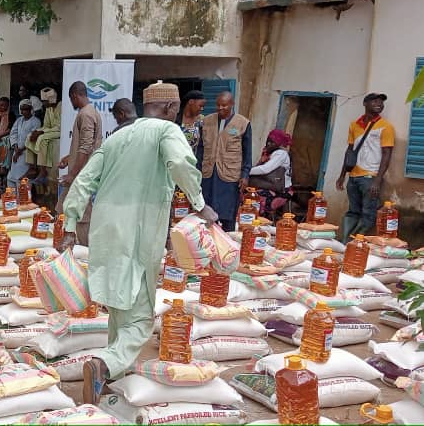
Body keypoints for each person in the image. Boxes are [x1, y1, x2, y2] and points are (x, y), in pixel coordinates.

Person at [59, 81, 218, 405]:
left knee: (121, 304)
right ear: (172, 107)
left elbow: (84, 179)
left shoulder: (117, 137)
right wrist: (200, 204)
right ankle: (105, 364)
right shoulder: (166, 132)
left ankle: (113, 374)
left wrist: (71, 223)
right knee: (142, 316)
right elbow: (180, 164)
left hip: (106, 229)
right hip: (139, 230)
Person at [337, 93, 394, 241]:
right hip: (354, 177)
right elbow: (350, 151)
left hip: (370, 177)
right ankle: (344, 243)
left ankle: (353, 243)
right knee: (352, 212)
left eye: (381, 102)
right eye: (375, 101)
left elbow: (387, 154)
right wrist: (342, 175)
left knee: (369, 214)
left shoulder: (385, 127)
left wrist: (377, 180)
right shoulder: (354, 125)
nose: (379, 104)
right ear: (365, 103)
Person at [197, 91, 251, 231]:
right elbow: (201, 149)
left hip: (229, 175)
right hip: (208, 174)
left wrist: (245, 175)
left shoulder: (243, 124)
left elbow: (247, 152)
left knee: (227, 211)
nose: (220, 108)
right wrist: (196, 171)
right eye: (218, 105)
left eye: (224, 105)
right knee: (206, 211)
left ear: (232, 104)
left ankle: (227, 240)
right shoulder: (207, 121)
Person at [56, 81, 103, 243]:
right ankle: (69, 242)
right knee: (64, 208)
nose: (72, 103)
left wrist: (72, 174)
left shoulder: (86, 114)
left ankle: (84, 247)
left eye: (71, 99)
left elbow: (86, 147)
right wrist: (69, 159)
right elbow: (84, 145)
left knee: (81, 211)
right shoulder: (89, 112)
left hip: (83, 174)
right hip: (83, 171)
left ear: (75, 96)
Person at [26, 87, 61, 196]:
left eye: (45, 101)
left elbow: (59, 126)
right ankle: (32, 167)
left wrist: (41, 133)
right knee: (29, 136)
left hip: (60, 131)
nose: (43, 103)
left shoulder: (61, 106)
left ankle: (43, 170)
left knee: (41, 138)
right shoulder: (48, 109)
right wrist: (37, 131)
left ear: (51, 99)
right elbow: (46, 125)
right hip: (51, 131)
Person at [250, 129, 293, 216]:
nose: (269, 144)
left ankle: (259, 219)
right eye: (268, 141)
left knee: (255, 198)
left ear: (278, 144)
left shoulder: (281, 154)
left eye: (272, 142)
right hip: (268, 185)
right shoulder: (268, 153)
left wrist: (245, 171)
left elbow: (265, 169)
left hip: (281, 191)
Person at [8, 99, 42, 190]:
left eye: (26, 109)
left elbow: (32, 139)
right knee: (12, 181)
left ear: (30, 109)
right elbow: (13, 133)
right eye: (22, 109)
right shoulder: (19, 120)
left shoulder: (36, 121)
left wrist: (21, 150)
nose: (24, 111)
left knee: (24, 181)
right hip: (17, 152)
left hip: (28, 153)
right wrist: (16, 147)